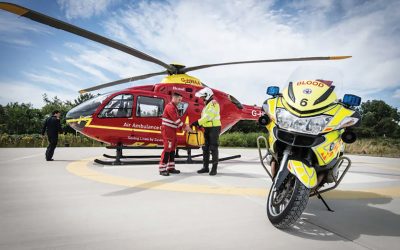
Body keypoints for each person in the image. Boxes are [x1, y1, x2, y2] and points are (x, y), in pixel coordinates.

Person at [159, 93, 191, 176]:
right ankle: (162, 169)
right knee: (167, 149)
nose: (180, 101)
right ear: (174, 98)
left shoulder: (174, 107)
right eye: (179, 100)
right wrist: (185, 127)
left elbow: (176, 121)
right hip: (168, 131)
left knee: (172, 149)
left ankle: (171, 167)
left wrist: (183, 127)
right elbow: (176, 120)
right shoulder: (170, 107)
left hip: (172, 131)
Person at [191, 87, 221, 176]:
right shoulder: (207, 105)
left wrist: (197, 122)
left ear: (207, 96)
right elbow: (206, 119)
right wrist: (201, 124)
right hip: (207, 128)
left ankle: (214, 168)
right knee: (205, 148)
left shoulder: (213, 104)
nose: (202, 99)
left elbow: (208, 117)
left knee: (213, 148)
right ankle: (205, 167)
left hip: (214, 128)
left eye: (203, 97)